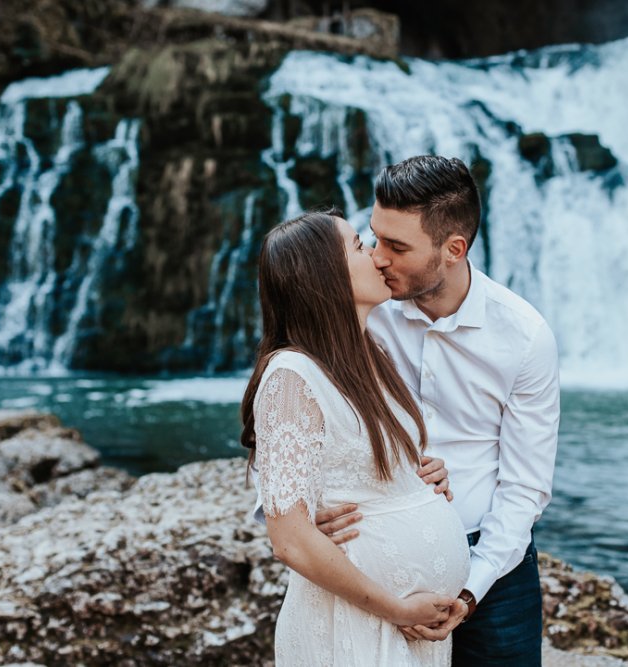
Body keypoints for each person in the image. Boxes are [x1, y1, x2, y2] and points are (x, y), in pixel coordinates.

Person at [314, 155, 560, 665]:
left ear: (454, 250)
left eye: (397, 247)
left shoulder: (525, 336)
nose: (377, 257)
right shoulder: (361, 305)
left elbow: (524, 486)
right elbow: (286, 407)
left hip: (492, 575)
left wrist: (470, 590)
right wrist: (304, 509)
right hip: (372, 561)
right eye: (374, 237)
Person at [240, 210, 471, 666]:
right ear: (323, 275)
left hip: (413, 630)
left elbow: (360, 467)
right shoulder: (291, 375)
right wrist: (398, 608)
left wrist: (419, 477)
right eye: (359, 247)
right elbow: (289, 539)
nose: (378, 258)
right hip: (357, 624)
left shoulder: (371, 354)